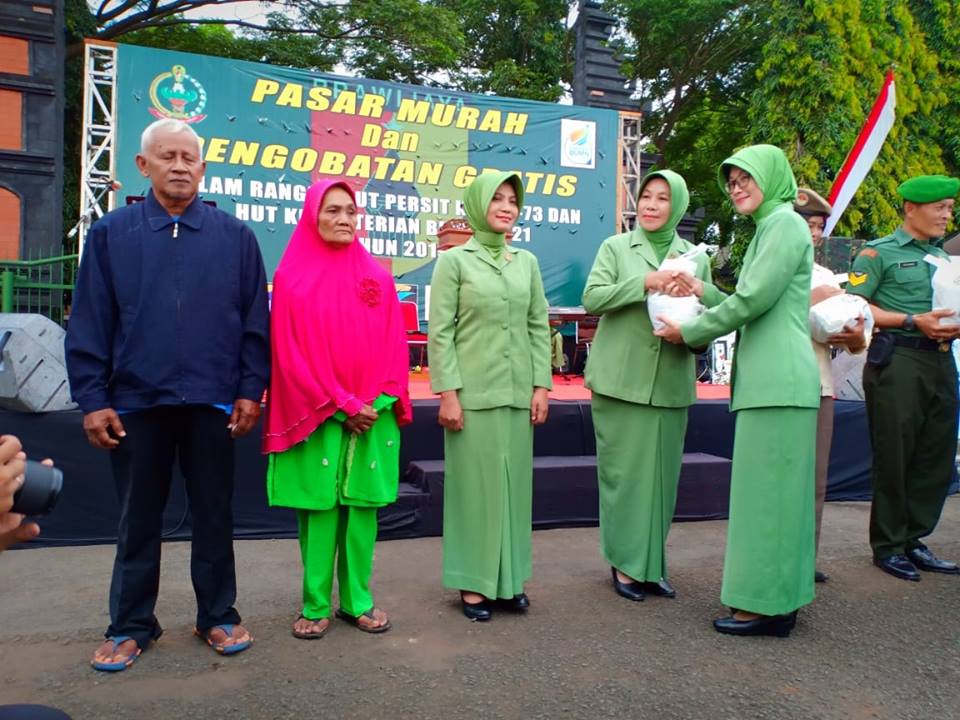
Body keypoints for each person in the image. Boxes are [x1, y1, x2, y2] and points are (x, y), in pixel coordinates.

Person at [65, 118, 270, 671]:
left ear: (202, 167)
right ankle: (131, 625)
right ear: (144, 165)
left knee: (214, 513)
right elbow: (90, 321)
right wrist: (92, 398)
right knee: (138, 519)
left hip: (213, 400)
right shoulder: (112, 235)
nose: (179, 166)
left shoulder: (235, 237)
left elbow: (254, 321)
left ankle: (218, 615)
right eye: (167, 156)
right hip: (135, 402)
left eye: (188, 157)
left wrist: (250, 388)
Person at [656, 145, 820, 637]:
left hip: (777, 382)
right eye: (731, 182)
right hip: (775, 381)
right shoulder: (773, 227)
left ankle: (764, 606)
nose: (736, 188)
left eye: (746, 177)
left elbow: (752, 301)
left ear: (772, 176)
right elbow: (755, 302)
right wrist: (702, 292)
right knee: (776, 498)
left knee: (767, 500)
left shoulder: (783, 225)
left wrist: (690, 331)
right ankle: (777, 601)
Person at [263, 179, 412, 638]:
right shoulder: (292, 279)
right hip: (318, 410)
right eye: (332, 210)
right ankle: (314, 605)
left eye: (350, 210)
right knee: (319, 509)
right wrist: (342, 404)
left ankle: (357, 601)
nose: (344, 218)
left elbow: (394, 346)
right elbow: (289, 353)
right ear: (313, 216)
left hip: (373, 412)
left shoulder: (377, 277)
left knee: (362, 509)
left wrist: (376, 401)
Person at [583, 170, 724, 601]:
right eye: (646, 195)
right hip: (619, 381)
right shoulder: (616, 248)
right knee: (624, 477)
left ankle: (651, 565)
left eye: (663, 198)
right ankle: (625, 564)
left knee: (662, 480)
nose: (651, 204)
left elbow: (711, 314)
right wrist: (645, 282)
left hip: (669, 382)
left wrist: (692, 330)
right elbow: (593, 298)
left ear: (676, 206)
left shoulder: (693, 258)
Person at [428, 170, 552, 621]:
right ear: (478, 204)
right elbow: (440, 331)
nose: (506, 207)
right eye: (497, 198)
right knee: (474, 493)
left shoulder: (527, 262)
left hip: (518, 393)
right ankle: (474, 583)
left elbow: (537, 325)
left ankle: (509, 580)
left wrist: (541, 386)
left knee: (514, 491)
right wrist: (448, 393)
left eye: (512, 201)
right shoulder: (455, 262)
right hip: (471, 396)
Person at [846, 174, 960, 582]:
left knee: (936, 455)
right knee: (895, 455)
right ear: (911, 209)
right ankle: (889, 545)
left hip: (941, 360)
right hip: (899, 360)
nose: (946, 216)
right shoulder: (878, 254)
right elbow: (856, 306)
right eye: (939, 207)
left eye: (949, 208)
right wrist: (912, 320)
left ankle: (914, 537)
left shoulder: (945, 258)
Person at [794, 187, 867, 583]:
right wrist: (811, 298)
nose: (813, 233)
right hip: (776, 383)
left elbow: (854, 335)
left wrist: (855, 338)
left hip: (818, 383)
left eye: (818, 227)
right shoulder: (766, 264)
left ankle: (805, 558)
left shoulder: (826, 276)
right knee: (778, 480)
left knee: (815, 482)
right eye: (806, 224)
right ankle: (775, 561)